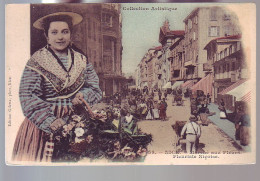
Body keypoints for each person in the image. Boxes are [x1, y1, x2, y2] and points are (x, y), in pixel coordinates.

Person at [12, 12, 102, 162]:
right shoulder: (37, 60)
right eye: (54, 32)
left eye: (64, 32)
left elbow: (95, 88)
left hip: (76, 120)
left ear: (71, 34)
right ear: (47, 36)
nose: (60, 37)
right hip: (42, 125)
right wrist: (50, 121)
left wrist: (83, 96)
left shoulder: (81, 59)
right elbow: (27, 96)